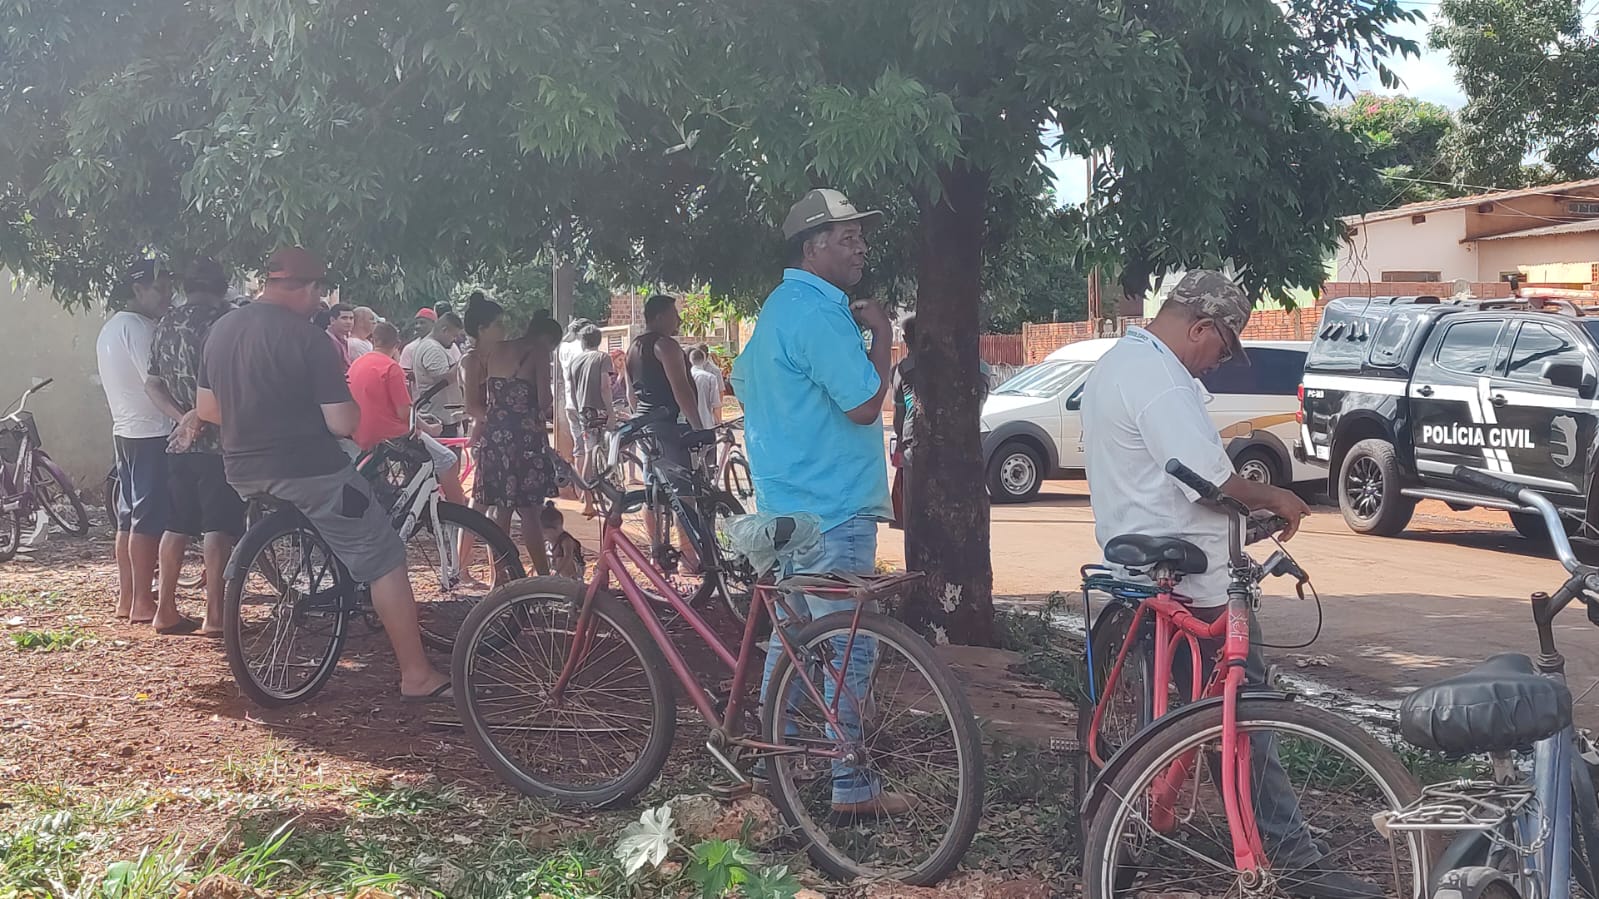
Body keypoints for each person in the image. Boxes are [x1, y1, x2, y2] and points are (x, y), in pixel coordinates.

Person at [1079, 271, 1368, 898]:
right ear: (1200, 326)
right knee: (1248, 718)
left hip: (1149, 555)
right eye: (1223, 347)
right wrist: (1278, 497)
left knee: (1199, 711)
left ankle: (1149, 811)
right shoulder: (1159, 378)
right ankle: (1295, 863)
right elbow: (1211, 479)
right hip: (1197, 575)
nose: (1219, 363)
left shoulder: (1122, 363)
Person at [195, 247, 451, 702]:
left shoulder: (220, 330)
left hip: (241, 469)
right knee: (386, 555)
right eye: (320, 292)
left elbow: (208, 409)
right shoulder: (306, 339)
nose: (322, 304)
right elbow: (342, 423)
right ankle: (417, 675)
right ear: (309, 287)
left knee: (331, 523)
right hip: (308, 470)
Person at [731, 188, 903, 817]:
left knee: (796, 638)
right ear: (812, 246)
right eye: (846, 236)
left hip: (787, 506)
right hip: (834, 508)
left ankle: (775, 758)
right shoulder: (824, 316)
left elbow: (743, 382)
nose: (860, 246)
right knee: (850, 643)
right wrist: (882, 334)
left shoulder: (777, 309)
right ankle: (850, 787)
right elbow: (863, 405)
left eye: (861, 235)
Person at [145, 257, 247, 636]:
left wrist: (181, 417)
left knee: (176, 525)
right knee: (217, 529)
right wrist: (199, 417)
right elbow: (230, 382)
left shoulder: (166, 323)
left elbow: (151, 383)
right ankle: (215, 616)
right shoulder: (223, 323)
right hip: (220, 442)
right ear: (221, 287)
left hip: (179, 443)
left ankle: (165, 610)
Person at [96, 260, 177, 626]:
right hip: (151, 433)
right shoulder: (139, 328)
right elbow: (155, 382)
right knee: (147, 519)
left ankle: (128, 597)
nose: (168, 295)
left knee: (129, 518)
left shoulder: (112, 327)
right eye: (159, 288)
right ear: (138, 290)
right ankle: (144, 600)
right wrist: (183, 416)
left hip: (126, 431)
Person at [461, 292, 556, 575]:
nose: (503, 330)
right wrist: (512, 418)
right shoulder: (531, 352)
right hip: (524, 438)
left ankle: (501, 577)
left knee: (498, 509)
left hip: (496, 440)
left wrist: (495, 422)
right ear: (482, 328)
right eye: (498, 324)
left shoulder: (488, 355)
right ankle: (541, 576)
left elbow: (477, 404)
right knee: (528, 510)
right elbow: (545, 400)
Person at [346, 322, 470, 508]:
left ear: (373, 340)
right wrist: (429, 428)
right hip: (393, 437)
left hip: (362, 434)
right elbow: (404, 411)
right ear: (397, 344)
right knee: (448, 460)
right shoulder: (390, 367)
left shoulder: (357, 364)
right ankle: (459, 509)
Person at [568, 325, 615, 518]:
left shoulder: (575, 360)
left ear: (582, 341)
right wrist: (611, 412)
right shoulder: (603, 358)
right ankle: (609, 490)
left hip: (583, 411)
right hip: (600, 409)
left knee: (588, 451)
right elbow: (605, 386)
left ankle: (587, 500)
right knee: (609, 448)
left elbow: (571, 391)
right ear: (599, 340)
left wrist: (581, 410)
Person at [412, 312, 467, 438]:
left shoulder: (431, 346)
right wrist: (464, 360)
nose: (454, 340)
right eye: (454, 335)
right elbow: (444, 378)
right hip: (439, 418)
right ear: (444, 330)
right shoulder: (432, 348)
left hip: (442, 416)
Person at [889, 315, 918, 531]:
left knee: (912, 507)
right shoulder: (959, 365)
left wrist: (900, 439)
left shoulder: (903, 369)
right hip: (953, 444)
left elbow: (899, 411)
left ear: (906, 339)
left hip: (913, 440)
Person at [557, 317, 594, 462]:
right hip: (584, 401)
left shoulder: (563, 347)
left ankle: (579, 483)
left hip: (569, 401)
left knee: (579, 446)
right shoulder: (582, 348)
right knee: (590, 447)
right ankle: (590, 481)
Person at [541, 502, 584, 580]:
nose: (544, 535)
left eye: (545, 533)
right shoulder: (548, 542)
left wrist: (557, 570)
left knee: (561, 558)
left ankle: (570, 580)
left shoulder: (566, 540)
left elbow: (568, 556)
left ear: (556, 528)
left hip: (573, 569)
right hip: (556, 567)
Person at [689, 346, 724, 429]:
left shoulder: (684, 377)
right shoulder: (710, 377)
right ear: (704, 358)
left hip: (689, 423)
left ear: (690, 360)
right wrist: (719, 424)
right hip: (707, 422)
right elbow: (716, 404)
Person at [398, 308, 438, 376]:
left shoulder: (448, 346)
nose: (418, 326)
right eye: (416, 323)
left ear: (434, 324)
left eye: (422, 323)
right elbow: (403, 372)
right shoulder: (410, 348)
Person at [325, 302, 356, 372]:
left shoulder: (343, 340)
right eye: (344, 318)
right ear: (332, 320)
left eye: (351, 318)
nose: (349, 322)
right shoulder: (327, 341)